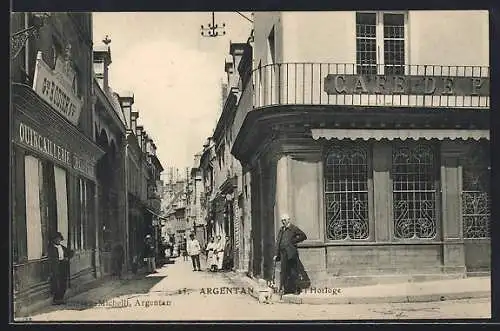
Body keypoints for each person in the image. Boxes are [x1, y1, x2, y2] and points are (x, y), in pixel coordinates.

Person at [273, 213, 307, 295]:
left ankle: (296, 289)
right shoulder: (281, 230)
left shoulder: (293, 228)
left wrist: (293, 241)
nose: (283, 222)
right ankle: (284, 289)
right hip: (283, 253)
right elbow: (278, 242)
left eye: (284, 220)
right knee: (284, 271)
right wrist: (276, 254)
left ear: (288, 220)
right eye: (282, 220)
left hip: (291, 253)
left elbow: (303, 236)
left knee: (294, 271)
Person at [47, 232, 74, 305]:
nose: (58, 240)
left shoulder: (62, 247)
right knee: (56, 282)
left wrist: (67, 258)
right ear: (53, 240)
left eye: (59, 239)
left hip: (63, 265)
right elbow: (50, 258)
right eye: (56, 239)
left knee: (63, 281)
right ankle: (56, 299)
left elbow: (71, 252)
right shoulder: (51, 248)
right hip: (56, 267)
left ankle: (61, 298)